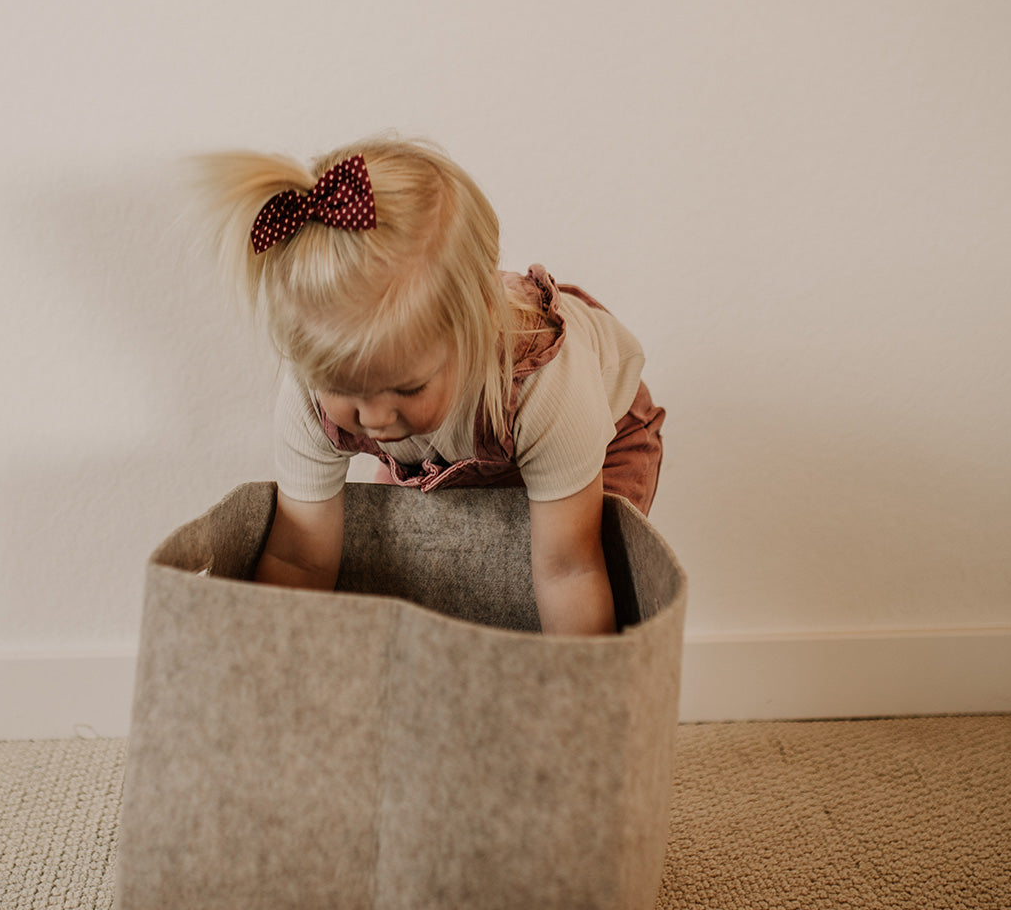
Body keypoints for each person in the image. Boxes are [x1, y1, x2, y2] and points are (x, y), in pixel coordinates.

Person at [194, 136, 663, 635]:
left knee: (548, 580)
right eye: (342, 387)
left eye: (407, 388)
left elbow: (570, 571)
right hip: (434, 454)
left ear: (477, 329)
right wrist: (269, 668)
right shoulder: (311, 398)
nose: (373, 419)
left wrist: (578, 705)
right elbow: (300, 558)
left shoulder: (547, 388)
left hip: (603, 436)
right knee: (414, 579)